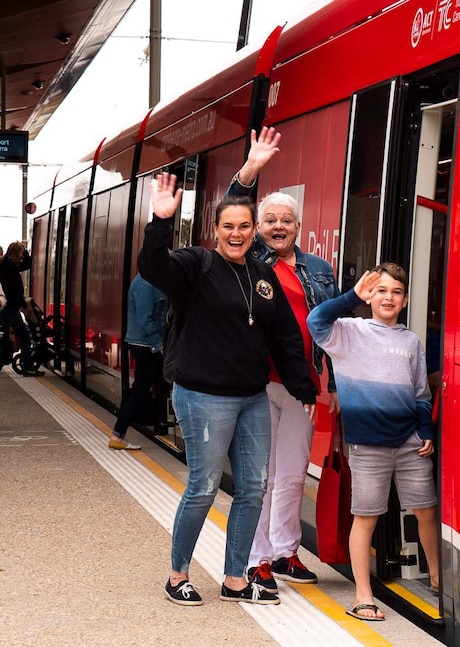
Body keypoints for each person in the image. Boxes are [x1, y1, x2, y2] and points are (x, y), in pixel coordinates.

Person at [139, 172, 318, 606]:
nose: (235, 234)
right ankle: (177, 574)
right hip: (202, 395)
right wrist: (161, 222)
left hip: (252, 396)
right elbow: (153, 266)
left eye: (243, 226)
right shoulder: (194, 266)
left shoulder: (263, 276)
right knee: (203, 485)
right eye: (227, 227)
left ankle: (235, 578)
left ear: (252, 231)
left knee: (253, 487)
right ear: (215, 231)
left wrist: (303, 386)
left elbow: (284, 337)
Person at [226, 127, 340, 589]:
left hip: (301, 386)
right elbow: (236, 209)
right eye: (268, 220)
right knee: (261, 477)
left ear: (298, 226)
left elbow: (331, 331)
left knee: (292, 474)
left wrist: (335, 386)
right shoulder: (251, 261)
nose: (276, 227)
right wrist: (251, 169)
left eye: (285, 221)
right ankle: (256, 559)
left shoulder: (319, 269)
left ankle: (285, 551)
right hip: (255, 384)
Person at [307, 263, 439, 622]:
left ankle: (439, 581)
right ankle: (363, 596)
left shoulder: (411, 341)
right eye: (381, 290)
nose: (388, 298)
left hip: (410, 443)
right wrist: (350, 297)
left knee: (427, 511)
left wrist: (425, 430)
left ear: (406, 299)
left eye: (396, 292)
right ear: (369, 296)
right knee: (365, 519)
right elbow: (315, 320)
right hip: (367, 447)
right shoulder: (349, 332)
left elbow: (421, 394)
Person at [109, 273, 169, 450]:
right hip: (146, 345)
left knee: (144, 387)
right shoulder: (145, 284)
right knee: (140, 390)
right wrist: (159, 345)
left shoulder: (144, 280)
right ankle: (117, 435)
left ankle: (121, 433)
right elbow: (145, 319)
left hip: (145, 344)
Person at [0, 241, 43, 376]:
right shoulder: (9, 268)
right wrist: (24, 305)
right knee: (8, 338)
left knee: (22, 337)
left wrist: (26, 252)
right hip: (9, 309)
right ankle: (27, 367)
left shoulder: (8, 264)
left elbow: (28, 264)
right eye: (21, 253)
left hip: (12, 309)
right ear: (15, 253)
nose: (22, 256)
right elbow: (14, 290)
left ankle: (28, 367)